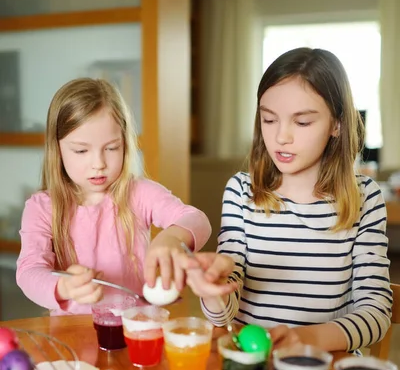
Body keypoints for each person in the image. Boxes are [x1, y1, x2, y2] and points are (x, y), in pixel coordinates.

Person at [178, 47, 392, 352]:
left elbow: (376, 312)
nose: (281, 137)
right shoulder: (241, 192)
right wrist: (214, 290)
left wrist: (306, 339)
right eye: (269, 119)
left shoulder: (365, 198)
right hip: (254, 364)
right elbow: (224, 315)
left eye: (302, 123)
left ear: (337, 124)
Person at [16, 78, 211, 315]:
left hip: (134, 330)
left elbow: (197, 219)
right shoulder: (42, 208)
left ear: (125, 144)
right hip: (73, 331)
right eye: (81, 150)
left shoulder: (139, 193)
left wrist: (173, 237)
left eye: (111, 148)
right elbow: (29, 271)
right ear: (57, 150)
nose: (98, 164)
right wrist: (63, 286)